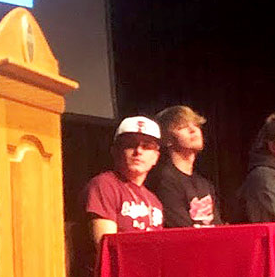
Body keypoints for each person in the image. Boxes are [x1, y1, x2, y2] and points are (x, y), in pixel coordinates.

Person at [82, 116, 164, 245]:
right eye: (130, 145)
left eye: (147, 146)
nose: (138, 151)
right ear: (115, 151)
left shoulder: (154, 200)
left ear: (156, 157)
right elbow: (106, 248)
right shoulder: (104, 185)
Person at [147, 105, 220, 227]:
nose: (193, 130)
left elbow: (218, 226)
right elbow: (182, 231)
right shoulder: (165, 181)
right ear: (167, 139)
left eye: (196, 125)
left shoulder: (204, 184)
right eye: (182, 127)